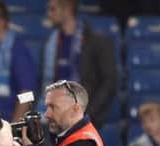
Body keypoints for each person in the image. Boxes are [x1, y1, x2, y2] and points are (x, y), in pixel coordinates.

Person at [41, 0, 117, 129]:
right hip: (53, 120)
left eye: (53, 9)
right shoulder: (50, 44)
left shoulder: (96, 41)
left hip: (84, 119)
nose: (48, 14)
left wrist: (88, 114)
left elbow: (110, 82)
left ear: (68, 9)